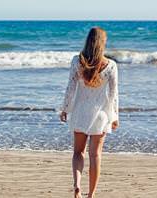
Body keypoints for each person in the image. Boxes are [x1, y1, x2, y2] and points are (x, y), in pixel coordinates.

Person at [59, 27, 119, 198]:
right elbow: (114, 94)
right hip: (101, 115)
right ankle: (91, 194)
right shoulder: (111, 65)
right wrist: (114, 117)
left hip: (80, 112)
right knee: (95, 155)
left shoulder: (77, 61)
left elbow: (70, 88)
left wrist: (65, 108)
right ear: (103, 43)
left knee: (78, 153)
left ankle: (77, 186)